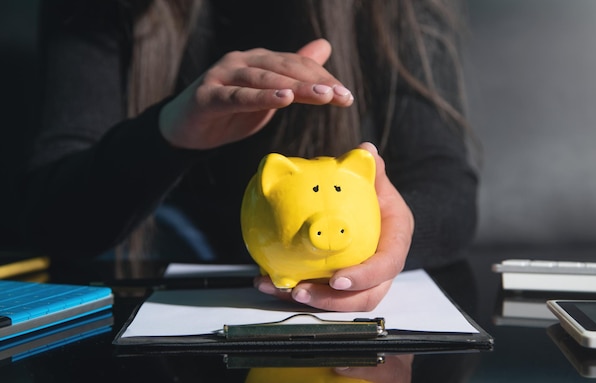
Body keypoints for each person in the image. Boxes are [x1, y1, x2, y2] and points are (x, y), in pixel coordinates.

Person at [19, 0, 478, 312]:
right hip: (153, 269)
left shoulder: (391, 9)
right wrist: (167, 132)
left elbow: (446, 180)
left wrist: (393, 232)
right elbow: (54, 216)